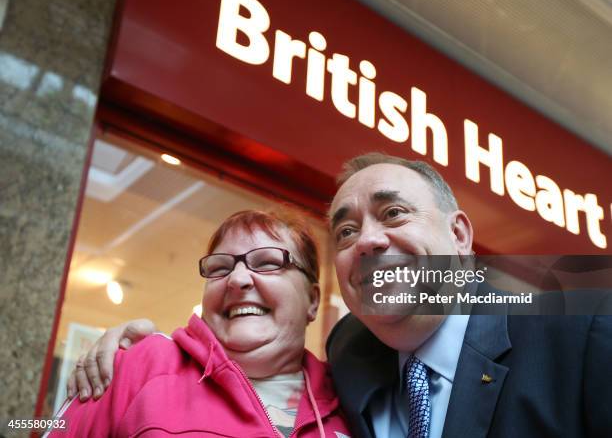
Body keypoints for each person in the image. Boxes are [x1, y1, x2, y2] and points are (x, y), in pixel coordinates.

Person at [69, 153, 612, 438]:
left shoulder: (334, 387)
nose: (369, 240)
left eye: (394, 212)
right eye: (346, 232)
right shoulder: (140, 365)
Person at [49, 210, 351, 437]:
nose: (237, 279)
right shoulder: (142, 365)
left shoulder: (354, 396)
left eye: (268, 263)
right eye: (220, 268)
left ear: (312, 301)